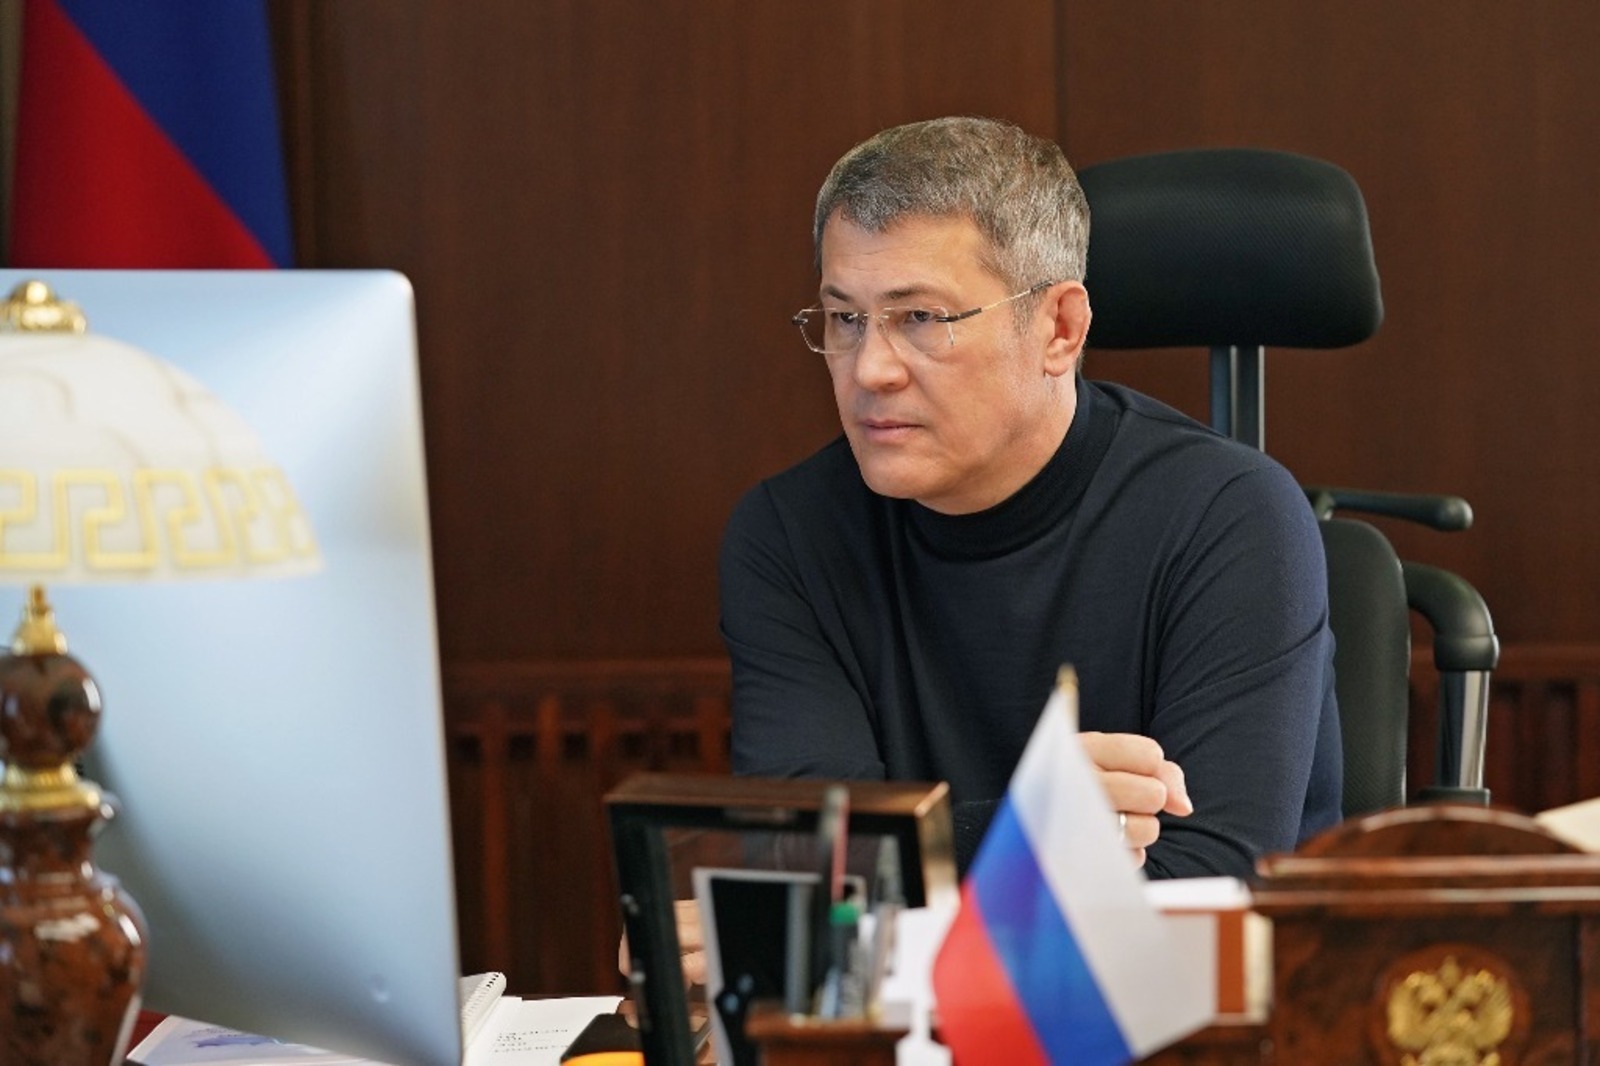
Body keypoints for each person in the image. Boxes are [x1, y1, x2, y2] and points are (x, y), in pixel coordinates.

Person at [719, 116, 1343, 880]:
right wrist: (1034, 827)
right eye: (847, 318)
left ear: (1060, 328)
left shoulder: (1234, 518)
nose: (870, 368)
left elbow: (1207, 883)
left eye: (922, 318)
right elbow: (809, 865)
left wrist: (914, 861)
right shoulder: (788, 533)